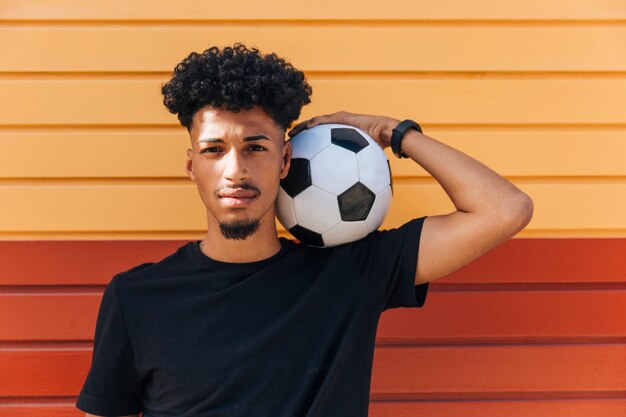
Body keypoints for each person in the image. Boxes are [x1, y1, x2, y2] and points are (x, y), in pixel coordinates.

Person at [76, 42, 533, 417]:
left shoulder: (349, 271)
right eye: (215, 150)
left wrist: (392, 131)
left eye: (255, 147)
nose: (235, 170)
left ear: (285, 160)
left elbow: (505, 209)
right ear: (192, 165)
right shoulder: (136, 297)